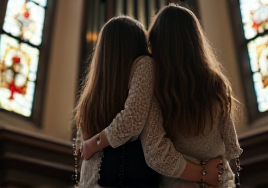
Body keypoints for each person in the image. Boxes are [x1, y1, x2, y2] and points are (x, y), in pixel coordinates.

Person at [74, 15, 221, 188]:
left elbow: (82, 148)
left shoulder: (92, 92)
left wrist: (92, 144)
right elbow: (132, 120)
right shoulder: (145, 64)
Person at [141, 4, 243, 187]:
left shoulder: (157, 88)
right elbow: (231, 146)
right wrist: (208, 172)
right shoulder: (217, 83)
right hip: (221, 181)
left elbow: (156, 154)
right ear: (196, 40)